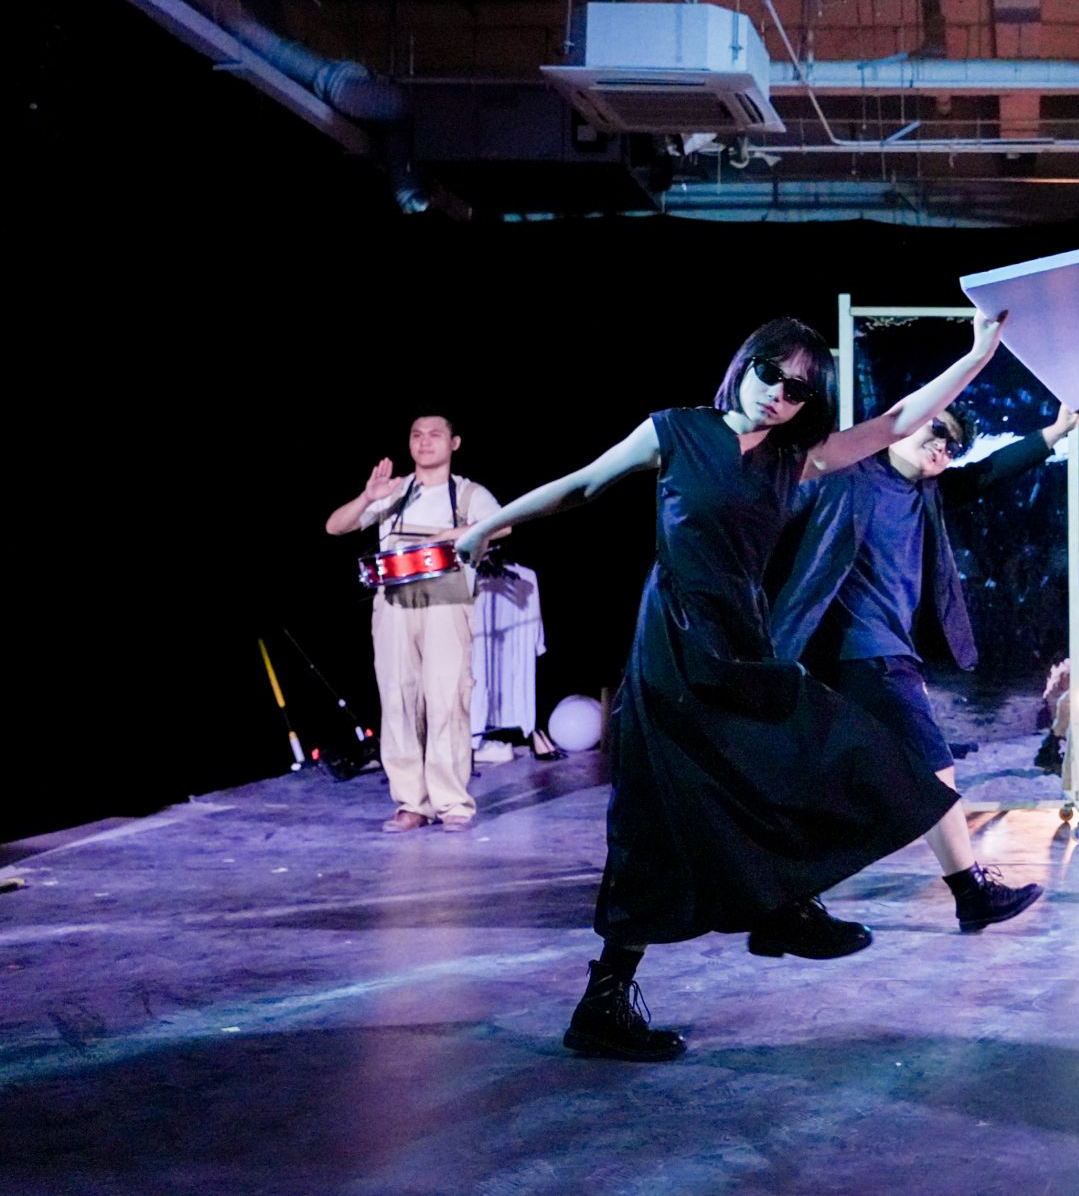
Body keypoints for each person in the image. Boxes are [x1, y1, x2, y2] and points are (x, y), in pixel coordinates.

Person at [453, 313, 1007, 1063]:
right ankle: (619, 993)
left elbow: (895, 423)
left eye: (798, 390)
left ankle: (776, 908)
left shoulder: (794, 459)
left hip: (743, 644)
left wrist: (976, 354)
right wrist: (485, 528)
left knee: (808, 759)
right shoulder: (677, 431)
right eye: (770, 375)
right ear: (746, 365)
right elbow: (583, 483)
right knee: (656, 818)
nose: (778, 394)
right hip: (674, 644)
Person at [769, 402, 1079, 930]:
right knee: (933, 765)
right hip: (861, 649)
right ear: (903, 422)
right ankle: (969, 891)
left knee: (845, 780)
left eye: (952, 444)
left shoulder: (926, 491)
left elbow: (986, 473)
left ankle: (785, 894)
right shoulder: (845, 476)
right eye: (936, 429)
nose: (943, 446)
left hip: (885, 650)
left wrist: (1053, 432)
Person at [324, 414, 501, 833]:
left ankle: (453, 803)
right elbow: (334, 526)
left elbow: (503, 524)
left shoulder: (469, 492)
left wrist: (449, 535)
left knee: (447, 699)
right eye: (416, 435)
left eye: (435, 434)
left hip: (447, 602)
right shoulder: (395, 491)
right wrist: (367, 498)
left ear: (454, 443)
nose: (424, 442)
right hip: (394, 604)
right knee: (398, 699)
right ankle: (412, 803)